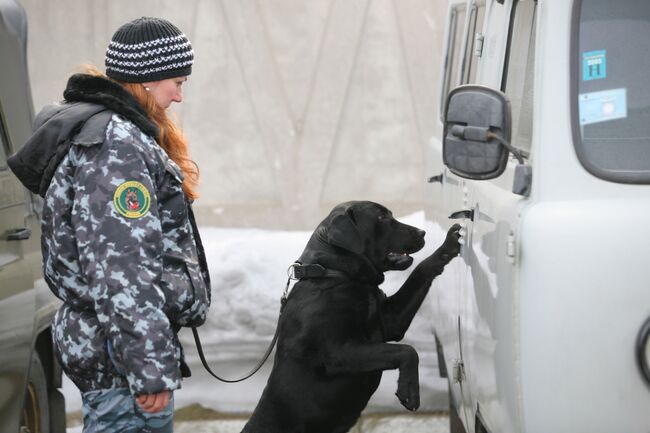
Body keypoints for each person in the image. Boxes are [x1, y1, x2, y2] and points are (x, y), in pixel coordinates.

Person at [8, 17, 211, 432]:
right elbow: (122, 269)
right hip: (120, 360)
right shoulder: (116, 148)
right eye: (176, 81)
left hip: (116, 352)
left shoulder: (119, 135)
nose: (179, 95)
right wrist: (148, 368)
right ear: (146, 80)